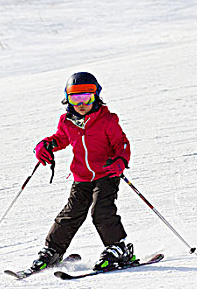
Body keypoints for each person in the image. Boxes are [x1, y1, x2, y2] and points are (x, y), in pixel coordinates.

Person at [32, 72, 134, 271]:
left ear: (96, 96)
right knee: (71, 213)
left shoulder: (107, 120)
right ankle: (53, 251)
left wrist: (120, 160)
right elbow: (61, 138)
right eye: (75, 98)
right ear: (67, 99)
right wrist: (46, 145)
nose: (81, 103)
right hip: (82, 176)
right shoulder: (67, 121)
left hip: (107, 174)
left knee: (101, 211)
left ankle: (118, 248)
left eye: (86, 96)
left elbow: (121, 143)